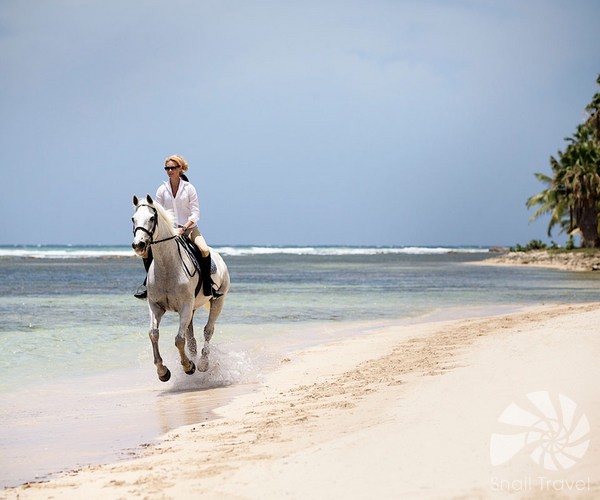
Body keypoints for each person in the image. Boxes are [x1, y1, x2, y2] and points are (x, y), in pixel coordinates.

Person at [134, 154, 221, 300]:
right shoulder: (162, 189)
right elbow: (158, 212)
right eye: (167, 168)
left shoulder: (189, 188)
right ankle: (148, 286)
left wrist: (184, 228)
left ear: (180, 168)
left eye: (173, 168)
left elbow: (195, 213)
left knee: (204, 250)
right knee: (146, 252)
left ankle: (208, 285)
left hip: (189, 229)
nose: (169, 171)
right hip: (169, 232)